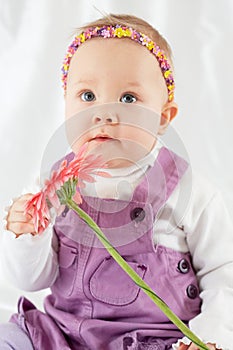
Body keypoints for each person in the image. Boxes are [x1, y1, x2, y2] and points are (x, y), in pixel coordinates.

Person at [1, 13, 232, 350]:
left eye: (128, 99)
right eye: (87, 96)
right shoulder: (52, 185)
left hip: (157, 339)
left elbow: (224, 273)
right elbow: (32, 279)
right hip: (64, 333)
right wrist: (26, 236)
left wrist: (209, 337)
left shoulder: (188, 189)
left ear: (163, 117)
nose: (103, 113)